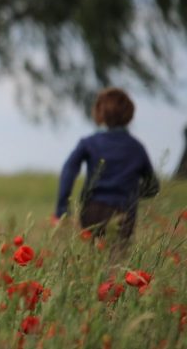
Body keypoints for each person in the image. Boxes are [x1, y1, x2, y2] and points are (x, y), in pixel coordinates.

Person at [54, 87, 160, 244]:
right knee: (117, 261)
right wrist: (132, 194)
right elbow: (153, 186)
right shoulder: (137, 148)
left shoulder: (89, 143)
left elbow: (69, 170)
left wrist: (62, 208)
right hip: (124, 212)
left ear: (99, 113)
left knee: (93, 259)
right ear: (129, 115)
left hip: (92, 210)